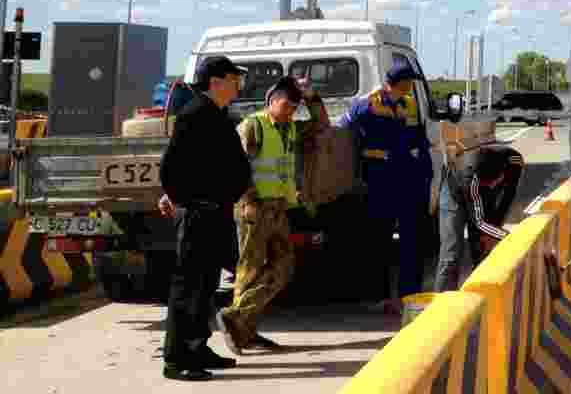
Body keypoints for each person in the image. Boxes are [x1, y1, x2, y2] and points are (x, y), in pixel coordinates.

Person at [216, 75, 328, 355]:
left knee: (283, 266)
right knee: (249, 269)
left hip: (278, 207)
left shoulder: (290, 128)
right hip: (253, 207)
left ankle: (237, 319)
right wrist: (249, 200)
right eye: (286, 105)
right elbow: (234, 166)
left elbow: (322, 125)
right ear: (271, 101)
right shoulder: (253, 126)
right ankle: (242, 329)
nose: (291, 111)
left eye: (294, 107)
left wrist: (312, 96)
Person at [159, 55, 251, 382]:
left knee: (206, 286)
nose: (238, 85)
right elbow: (170, 170)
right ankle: (176, 358)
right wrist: (191, 203)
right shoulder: (194, 115)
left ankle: (198, 347)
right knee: (188, 287)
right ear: (215, 81)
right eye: (233, 79)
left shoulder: (216, 114)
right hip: (199, 214)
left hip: (215, 212)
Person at [340, 62, 433, 314]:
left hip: (408, 180)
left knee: (412, 240)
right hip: (379, 180)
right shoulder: (366, 104)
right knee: (378, 240)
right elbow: (341, 132)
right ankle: (379, 295)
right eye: (409, 81)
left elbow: (418, 140)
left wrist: (424, 172)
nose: (412, 86)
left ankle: (409, 295)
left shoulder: (408, 105)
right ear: (400, 82)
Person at [434, 144, 525, 292]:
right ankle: (442, 301)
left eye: (494, 182)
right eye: (488, 183)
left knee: (482, 249)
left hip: (480, 195)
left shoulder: (514, 162)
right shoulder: (472, 178)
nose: (493, 185)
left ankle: (480, 295)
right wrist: (507, 237)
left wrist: (495, 230)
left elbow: (508, 196)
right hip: (454, 196)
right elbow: (479, 222)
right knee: (451, 253)